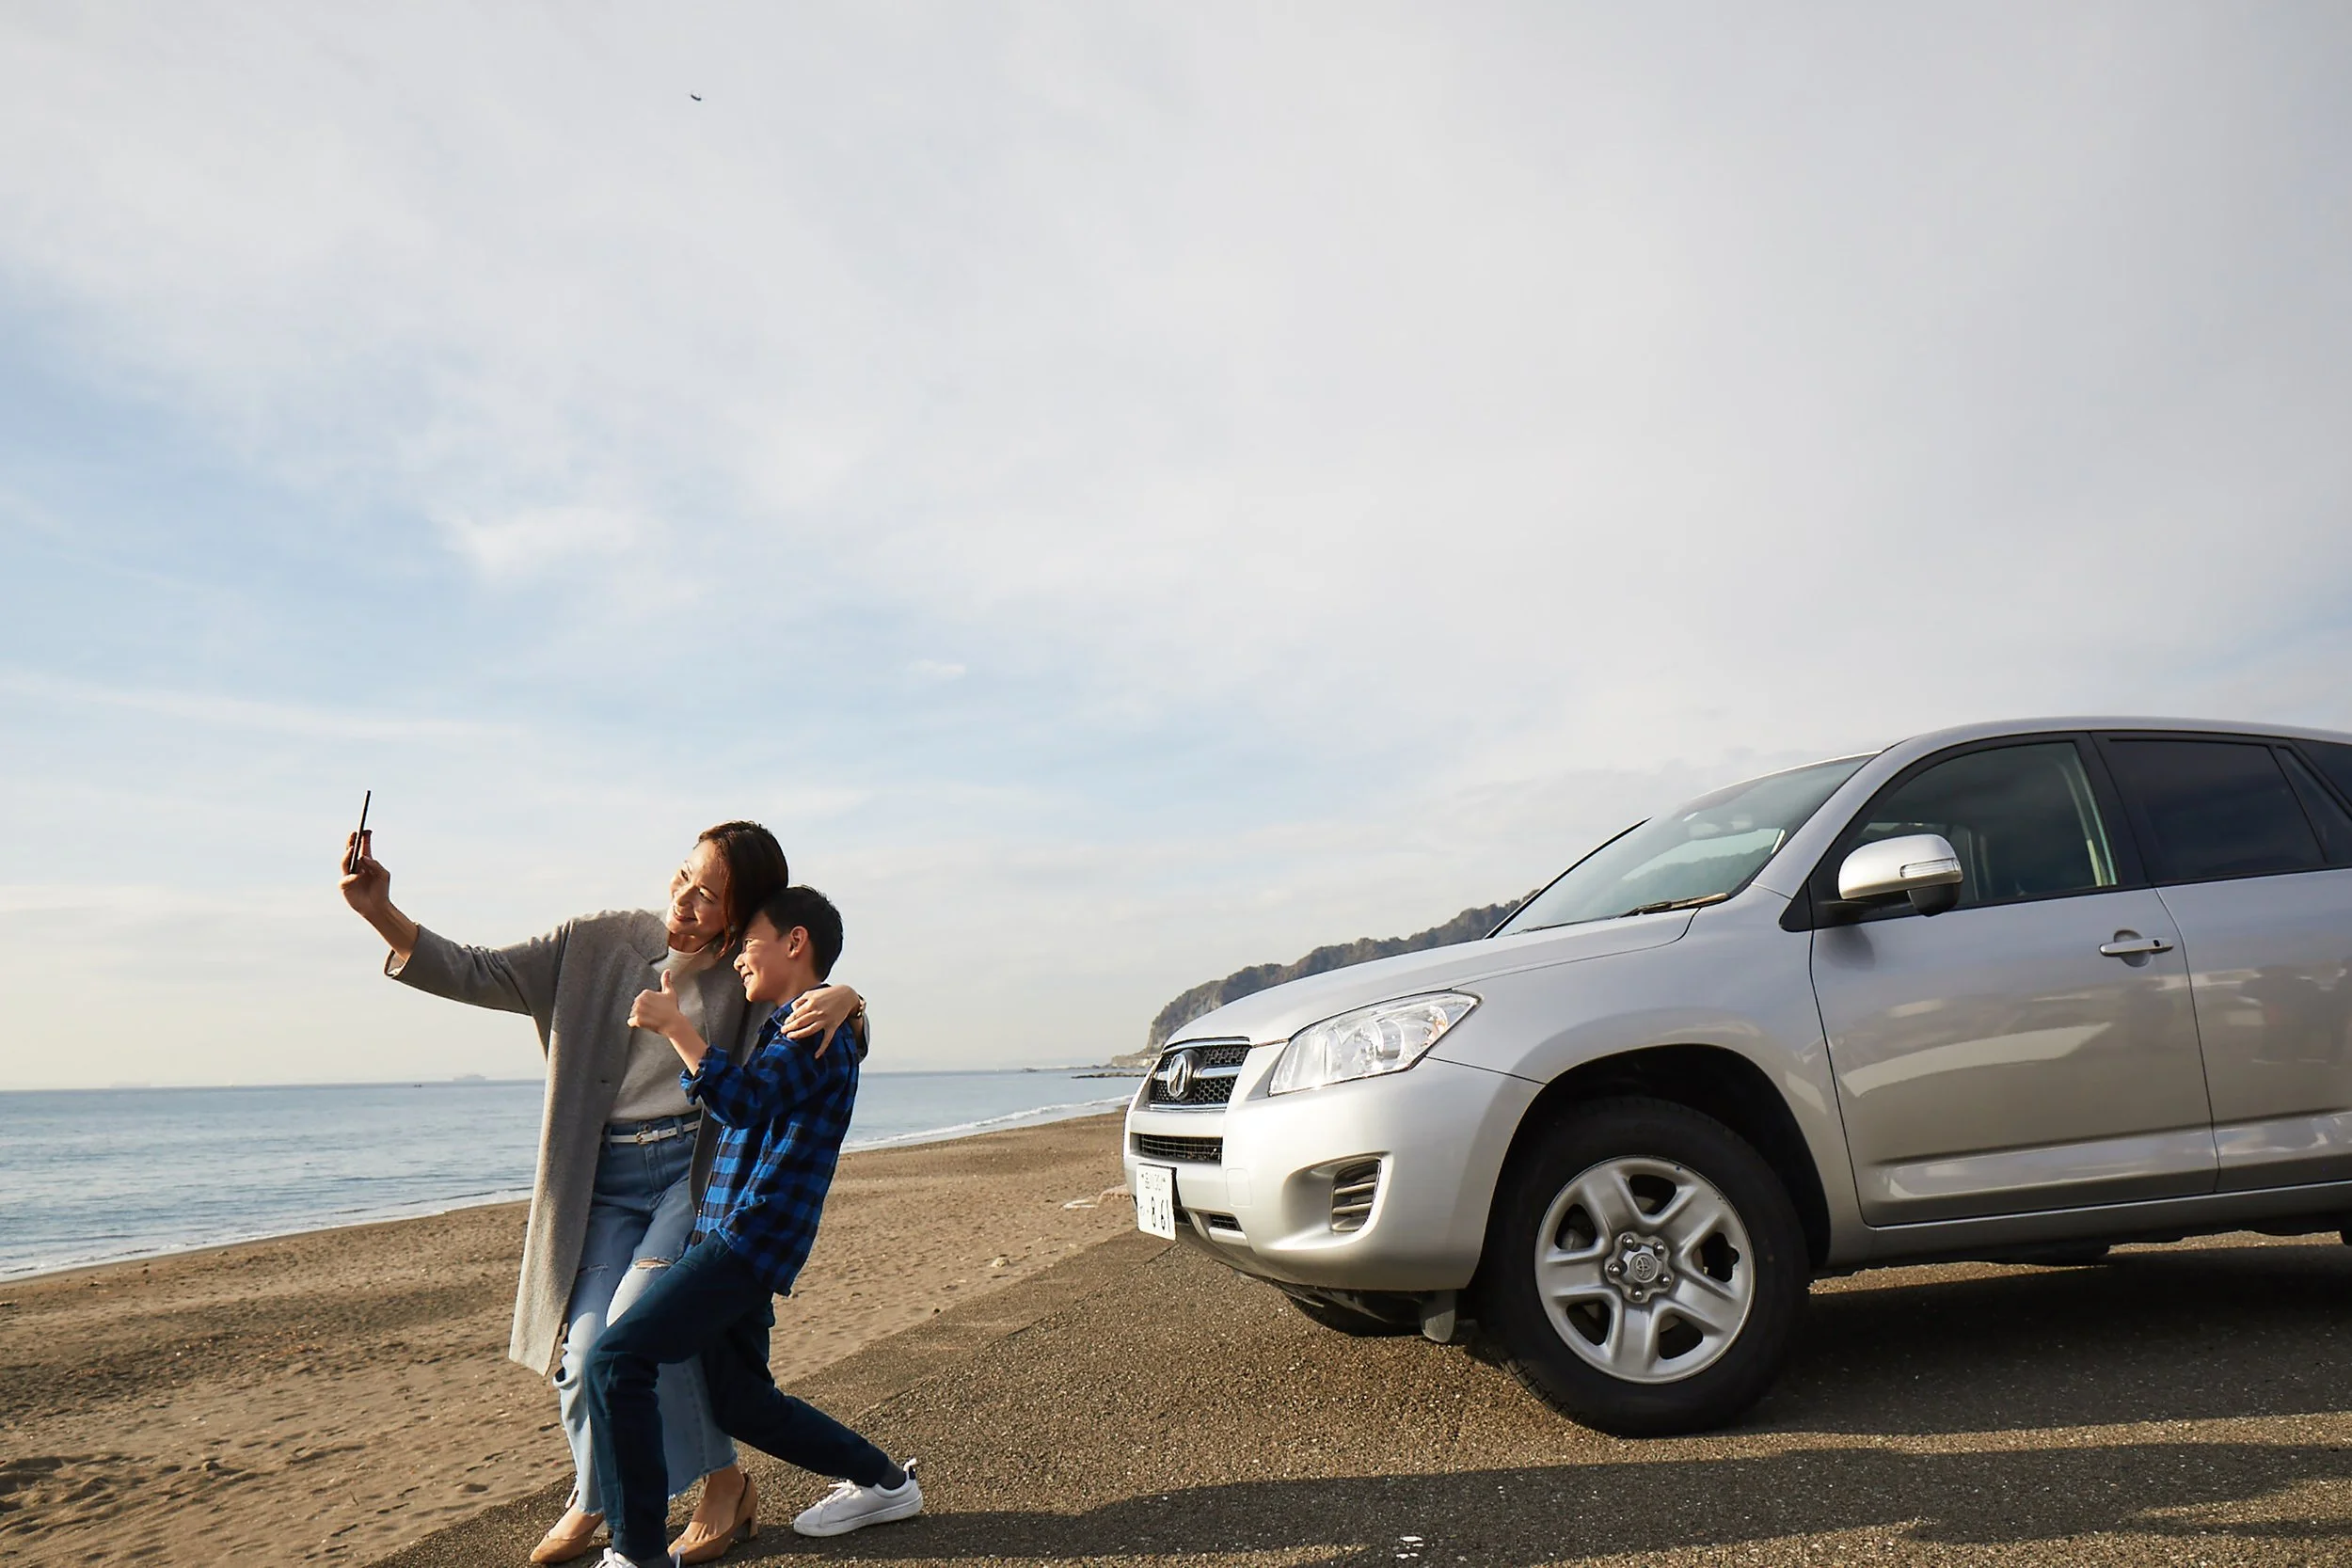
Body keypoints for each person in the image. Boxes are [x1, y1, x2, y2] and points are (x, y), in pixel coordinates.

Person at [338, 822, 868, 1565]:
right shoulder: (596, 942)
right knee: (586, 1351)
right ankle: (597, 1493)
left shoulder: (743, 975)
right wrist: (378, 911)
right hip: (603, 1178)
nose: (682, 900)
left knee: (642, 1321)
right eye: (682, 876)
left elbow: (800, 1015)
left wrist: (849, 996)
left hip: (689, 1177)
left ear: (741, 913)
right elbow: (481, 970)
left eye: (708, 896)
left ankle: (718, 1484)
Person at [586, 885, 921, 1568]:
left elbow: (743, 1101)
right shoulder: (798, 1020)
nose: (740, 957)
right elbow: (749, 1094)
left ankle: (635, 1553)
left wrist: (676, 1026)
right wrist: (849, 995)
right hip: (732, 1236)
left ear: (794, 943)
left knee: (616, 1359)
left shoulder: (814, 1024)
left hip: (749, 1238)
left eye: (751, 943)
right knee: (741, 1402)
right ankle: (886, 1482)